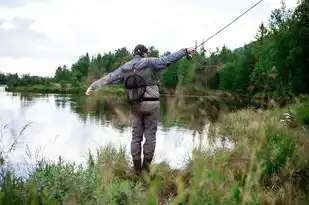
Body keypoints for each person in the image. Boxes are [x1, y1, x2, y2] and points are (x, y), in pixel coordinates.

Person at [85, 44, 196, 174]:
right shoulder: (150, 62)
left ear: (134, 54)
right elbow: (168, 59)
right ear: (145, 53)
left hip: (136, 105)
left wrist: (93, 86)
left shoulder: (125, 67)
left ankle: (136, 169)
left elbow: (110, 78)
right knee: (150, 136)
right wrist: (185, 51)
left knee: (136, 137)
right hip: (152, 105)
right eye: (146, 53)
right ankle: (146, 170)